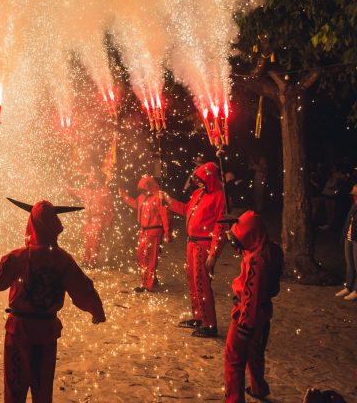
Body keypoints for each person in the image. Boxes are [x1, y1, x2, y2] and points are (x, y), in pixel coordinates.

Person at [0, 199, 106, 403]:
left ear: (31, 224)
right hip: (45, 333)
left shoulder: (18, 257)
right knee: (42, 392)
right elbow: (82, 287)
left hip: (19, 333)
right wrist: (96, 310)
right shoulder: (63, 259)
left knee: (15, 389)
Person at [223, 211, 283, 403]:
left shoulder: (257, 262)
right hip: (263, 312)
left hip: (248, 313)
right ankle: (259, 387)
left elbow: (251, 295)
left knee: (234, 356)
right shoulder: (267, 249)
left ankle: (234, 399)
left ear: (250, 235)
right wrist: (232, 235)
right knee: (254, 351)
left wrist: (244, 326)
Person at [163, 161, 226, 337]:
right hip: (191, 244)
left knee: (202, 283)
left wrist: (214, 253)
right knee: (193, 281)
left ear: (210, 178)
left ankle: (210, 325)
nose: (198, 182)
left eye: (201, 179)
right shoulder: (199, 193)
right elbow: (185, 210)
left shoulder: (220, 197)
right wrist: (168, 201)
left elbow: (221, 227)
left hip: (204, 245)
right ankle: (198, 317)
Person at [119, 175, 171, 292]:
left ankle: (147, 285)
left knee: (150, 258)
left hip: (154, 231)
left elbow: (165, 216)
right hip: (143, 231)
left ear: (151, 186)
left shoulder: (159, 197)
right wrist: (124, 196)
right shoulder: (142, 197)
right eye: (142, 189)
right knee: (141, 256)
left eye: (146, 188)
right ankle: (150, 280)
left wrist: (167, 232)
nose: (144, 191)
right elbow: (135, 204)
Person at [65, 171, 115, 268]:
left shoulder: (105, 191)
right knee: (87, 240)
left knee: (95, 241)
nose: (88, 180)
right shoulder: (86, 190)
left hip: (98, 218)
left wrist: (108, 221)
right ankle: (86, 259)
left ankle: (92, 261)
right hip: (88, 218)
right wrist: (67, 187)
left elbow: (110, 208)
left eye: (90, 178)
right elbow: (75, 192)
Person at [335, 184, 357, 301]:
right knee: (349, 264)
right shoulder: (354, 204)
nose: (353, 194)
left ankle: (356, 290)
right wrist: (344, 235)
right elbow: (349, 221)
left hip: (356, 239)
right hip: (349, 237)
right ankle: (348, 286)